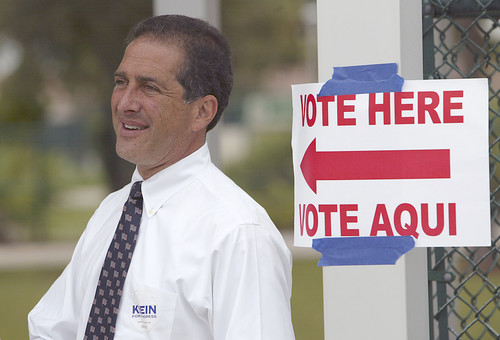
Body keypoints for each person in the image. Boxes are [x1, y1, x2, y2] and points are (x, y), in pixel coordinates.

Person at [28, 14, 295, 340]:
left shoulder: (237, 233)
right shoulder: (113, 212)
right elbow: (52, 329)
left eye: (149, 88)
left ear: (202, 112)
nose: (125, 103)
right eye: (121, 82)